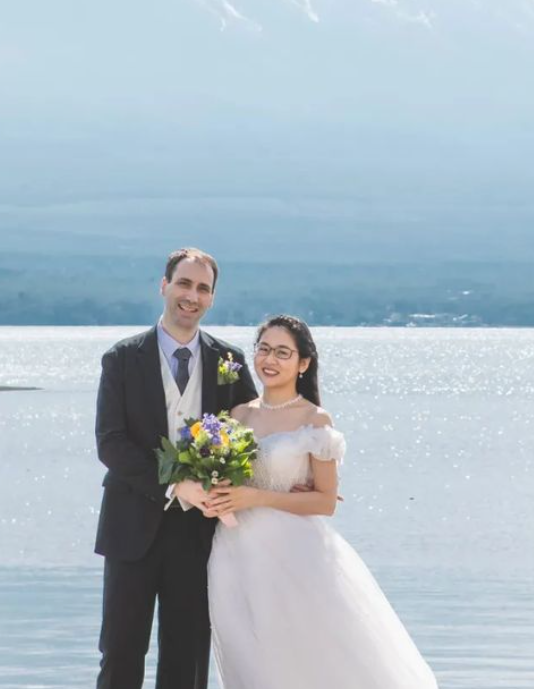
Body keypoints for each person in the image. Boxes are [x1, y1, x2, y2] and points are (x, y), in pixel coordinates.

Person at [205, 314, 438, 689]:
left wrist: (257, 496)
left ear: (303, 363)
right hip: (234, 553)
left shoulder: (314, 419)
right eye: (263, 349)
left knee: (303, 656)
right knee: (247, 658)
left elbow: (326, 502)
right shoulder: (236, 416)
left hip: (294, 554)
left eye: (283, 352)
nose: (270, 359)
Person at [94, 247, 258, 689]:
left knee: (187, 659)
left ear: (212, 298)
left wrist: (300, 478)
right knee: (121, 652)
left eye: (203, 288)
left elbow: (255, 435)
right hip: (131, 530)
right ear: (164, 286)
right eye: (184, 284)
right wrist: (174, 484)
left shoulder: (230, 362)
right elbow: (110, 444)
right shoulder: (122, 359)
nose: (192, 296)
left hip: (200, 535)